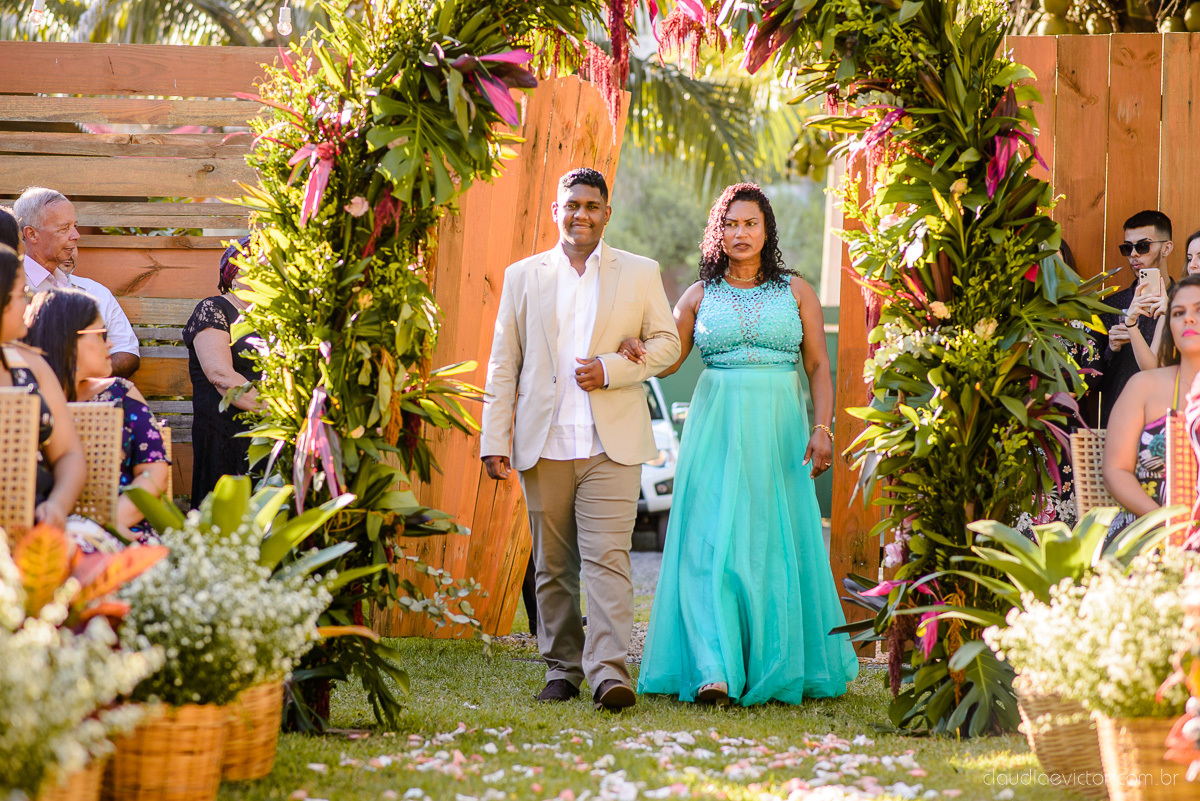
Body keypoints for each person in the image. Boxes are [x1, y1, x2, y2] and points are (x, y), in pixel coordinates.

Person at [626, 183, 859, 706]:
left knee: (772, 545)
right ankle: (715, 669)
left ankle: (773, 662)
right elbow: (669, 358)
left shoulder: (797, 291)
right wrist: (635, 347)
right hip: (715, 430)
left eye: (749, 223)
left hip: (778, 434)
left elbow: (819, 367)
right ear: (718, 231)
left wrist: (822, 430)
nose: (740, 233)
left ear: (766, 229)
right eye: (730, 224)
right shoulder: (698, 295)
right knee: (710, 545)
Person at [480, 168, 681, 711]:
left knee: (609, 559)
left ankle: (609, 673)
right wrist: (493, 438)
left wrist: (613, 368)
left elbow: (669, 344)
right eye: (572, 205)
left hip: (608, 445)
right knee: (552, 567)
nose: (581, 214)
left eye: (592, 205)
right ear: (556, 210)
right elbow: (504, 365)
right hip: (542, 445)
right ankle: (562, 668)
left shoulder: (639, 273)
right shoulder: (523, 276)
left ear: (607, 214)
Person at [24, 288, 169, 540]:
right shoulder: (26, 400)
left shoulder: (121, 393)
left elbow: (153, 473)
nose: (111, 344)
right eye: (101, 335)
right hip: (43, 534)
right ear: (67, 340)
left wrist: (107, 523)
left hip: (122, 531)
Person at [1103, 274, 1200, 536]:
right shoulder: (1142, 386)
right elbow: (1115, 470)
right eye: (1178, 313)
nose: (1188, 318)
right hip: (1150, 534)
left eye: (1198, 310)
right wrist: (1164, 522)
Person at [12, 187, 140, 378]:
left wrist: (82, 379)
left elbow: (127, 352)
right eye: (64, 228)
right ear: (31, 234)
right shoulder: (10, 288)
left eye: (75, 226)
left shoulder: (96, 291)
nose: (76, 235)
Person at [0, 244, 85, 529]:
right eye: (22, 293)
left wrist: (57, 505)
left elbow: (68, 454)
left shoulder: (30, 366)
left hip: (39, 524)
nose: (29, 302)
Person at [182, 236, 262, 506]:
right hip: (227, 437)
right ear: (234, 272)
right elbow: (221, 376)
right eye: (257, 263)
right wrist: (282, 412)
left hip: (273, 439)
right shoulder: (214, 309)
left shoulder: (278, 317)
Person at [1091, 210, 1175, 425]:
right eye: (1127, 248)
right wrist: (1111, 349)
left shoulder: (1185, 304)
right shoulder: (1110, 307)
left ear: (1167, 247)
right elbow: (1094, 381)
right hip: (1121, 420)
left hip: (1172, 419)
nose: (1134, 254)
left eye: (1143, 246)